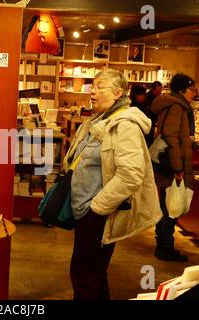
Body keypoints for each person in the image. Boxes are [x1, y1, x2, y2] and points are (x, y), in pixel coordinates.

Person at [63, 69, 162, 300]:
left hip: (97, 214)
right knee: (92, 274)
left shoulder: (125, 126)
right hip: (86, 212)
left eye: (99, 87)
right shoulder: (98, 120)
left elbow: (131, 174)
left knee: (84, 275)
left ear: (118, 93)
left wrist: (97, 208)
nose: (92, 92)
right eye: (92, 86)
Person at [151, 73, 196, 262]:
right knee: (171, 206)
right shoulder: (177, 107)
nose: (194, 93)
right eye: (192, 89)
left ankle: (163, 242)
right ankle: (165, 246)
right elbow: (171, 137)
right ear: (182, 90)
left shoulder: (173, 104)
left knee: (167, 204)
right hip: (172, 166)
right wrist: (178, 168)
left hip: (167, 164)